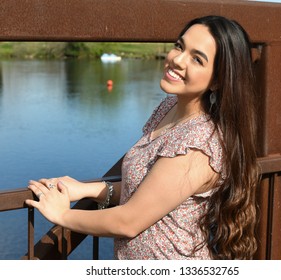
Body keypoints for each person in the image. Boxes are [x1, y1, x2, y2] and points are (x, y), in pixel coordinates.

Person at [25, 15, 259, 260]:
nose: (177, 60)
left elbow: (129, 221)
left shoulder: (198, 143)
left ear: (218, 80)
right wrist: (86, 189)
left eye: (197, 59)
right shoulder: (167, 108)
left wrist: (62, 216)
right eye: (179, 46)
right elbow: (146, 189)